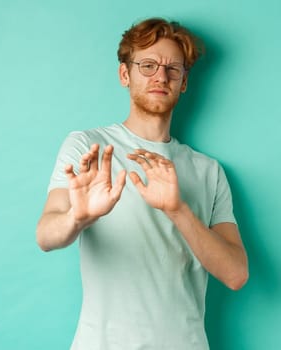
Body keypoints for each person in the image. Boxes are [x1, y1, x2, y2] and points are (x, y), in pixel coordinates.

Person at [35, 17, 248, 349]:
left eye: (172, 69)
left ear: (184, 82)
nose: (160, 76)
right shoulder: (88, 147)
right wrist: (77, 217)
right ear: (125, 74)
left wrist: (179, 211)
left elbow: (236, 275)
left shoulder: (209, 170)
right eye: (147, 65)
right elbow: (45, 236)